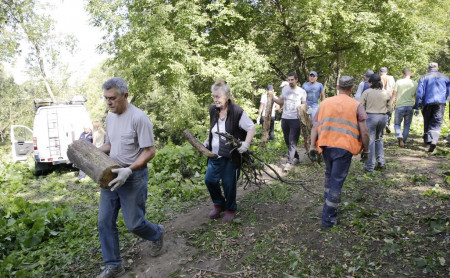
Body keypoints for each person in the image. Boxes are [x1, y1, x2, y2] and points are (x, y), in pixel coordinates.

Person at [96, 77, 163, 278]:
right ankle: (114, 265)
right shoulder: (109, 117)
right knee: (104, 222)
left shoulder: (139, 118)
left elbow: (150, 151)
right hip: (111, 175)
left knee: (134, 224)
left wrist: (129, 170)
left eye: (113, 98)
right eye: (106, 98)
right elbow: (110, 145)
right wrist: (90, 152)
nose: (109, 102)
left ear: (125, 96)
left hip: (133, 177)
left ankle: (157, 233)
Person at [309, 76, 369, 229]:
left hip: (325, 145)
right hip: (344, 148)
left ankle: (327, 208)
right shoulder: (357, 105)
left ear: (337, 87)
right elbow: (365, 131)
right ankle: (328, 220)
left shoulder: (325, 103)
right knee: (336, 182)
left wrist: (312, 146)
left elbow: (315, 126)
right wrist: (366, 150)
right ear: (352, 88)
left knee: (329, 177)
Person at [203, 79, 256, 223]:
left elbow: (251, 128)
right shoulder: (213, 110)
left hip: (231, 156)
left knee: (228, 183)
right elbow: (213, 127)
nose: (215, 100)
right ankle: (219, 204)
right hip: (214, 154)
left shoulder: (237, 111)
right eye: (214, 97)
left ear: (227, 96)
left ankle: (230, 208)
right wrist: (208, 140)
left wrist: (246, 143)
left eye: (218, 97)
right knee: (209, 180)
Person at [273, 73, 306, 171]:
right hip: (285, 118)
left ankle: (289, 162)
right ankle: (296, 157)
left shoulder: (302, 91)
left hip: (295, 118)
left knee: (292, 140)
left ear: (296, 80)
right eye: (289, 80)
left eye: (292, 80)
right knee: (287, 140)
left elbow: (304, 105)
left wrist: (304, 118)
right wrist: (272, 97)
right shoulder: (285, 90)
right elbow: (280, 101)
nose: (290, 82)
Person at [414, 62, 450, 152]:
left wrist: (417, 104)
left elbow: (419, 93)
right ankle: (434, 139)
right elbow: (448, 91)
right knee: (437, 122)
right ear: (437, 68)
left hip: (427, 102)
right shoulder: (445, 77)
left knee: (427, 120)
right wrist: (447, 99)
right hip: (440, 103)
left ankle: (427, 141)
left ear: (428, 69)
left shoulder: (423, 77)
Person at [360, 74, 393, 172]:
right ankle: (381, 162)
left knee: (371, 140)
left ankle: (370, 166)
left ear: (370, 83)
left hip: (370, 117)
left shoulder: (367, 92)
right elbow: (390, 107)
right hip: (383, 117)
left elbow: (361, 105)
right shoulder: (386, 93)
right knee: (379, 139)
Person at [392, 69, 418, 147]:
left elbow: (394, 94)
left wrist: (391, 104)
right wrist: (417, 107)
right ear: (410, 74)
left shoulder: (398, 82)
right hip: (410, 106)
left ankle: (399, 136)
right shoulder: (415, 83)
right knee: (407, 125)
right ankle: (404, 140)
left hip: (399, 106)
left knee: (397, 124)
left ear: (403, 74)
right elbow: (416, 96)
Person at [379, 67, 395, 133]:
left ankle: (382, 124)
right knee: (389, 110)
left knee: (382, 110)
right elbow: (394, 87)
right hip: (390, 96)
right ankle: (387, 123)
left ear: (380, 72)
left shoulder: (379, 78)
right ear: (386, 72)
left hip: (381, 96)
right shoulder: (391, 78)